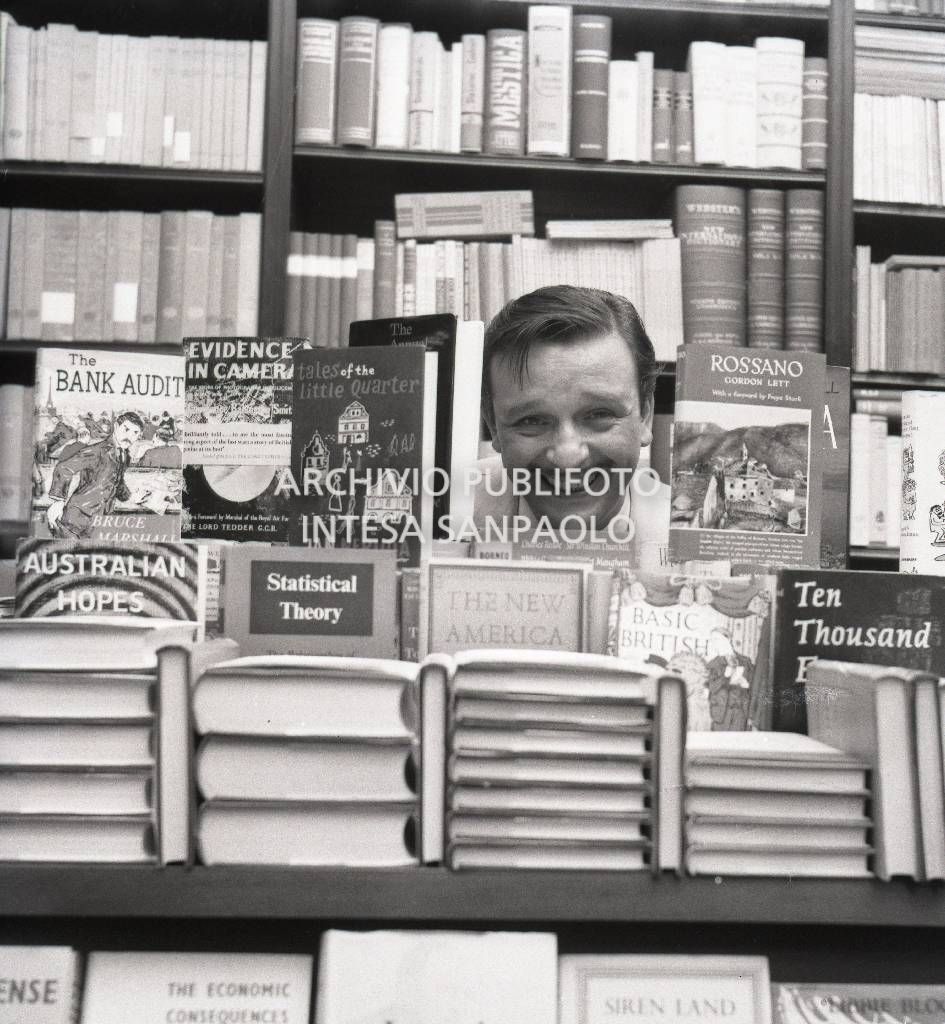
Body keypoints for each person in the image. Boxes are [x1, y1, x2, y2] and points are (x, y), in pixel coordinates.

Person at [473, 284, 670, 564]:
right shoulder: (436, 516)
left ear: (645, 416)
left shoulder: (691, 533)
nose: (567, 458)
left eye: (599, 415)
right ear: (493, 425)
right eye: (532, 420)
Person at [45, 411, 146, 539]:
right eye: (126, 429)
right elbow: (64, 468)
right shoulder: (97, 450)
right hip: (75, 520)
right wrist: (58, 502)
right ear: (116, 426)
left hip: (98, 521)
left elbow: (117, 482)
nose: (129, 436)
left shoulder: (125, 456)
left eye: (135, 433)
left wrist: (131, 497)